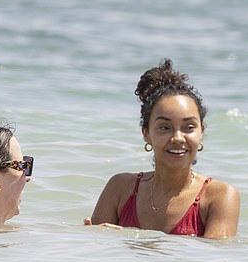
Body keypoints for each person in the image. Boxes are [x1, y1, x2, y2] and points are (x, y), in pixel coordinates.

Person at [86, 59, 240, 238]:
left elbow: (211, 260)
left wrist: (131, 239)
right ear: (146, 133)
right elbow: (95, 258)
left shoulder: (219, 197)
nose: (177, 138)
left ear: (202, 132)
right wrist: (91, 236)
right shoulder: (119, 189)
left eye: (189, 127)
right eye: (164, 128)